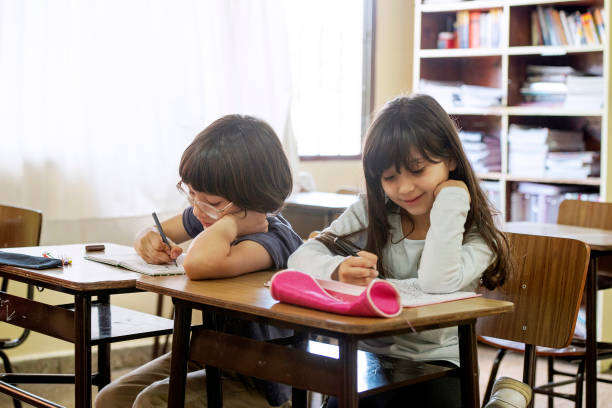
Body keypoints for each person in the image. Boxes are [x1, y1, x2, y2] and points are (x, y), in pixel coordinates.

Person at [287, 94, 512, 408]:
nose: (404, 188)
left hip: (440, 366)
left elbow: (436, 281)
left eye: (418, 170)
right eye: (390, 177)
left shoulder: (476, 235)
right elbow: (299, 258)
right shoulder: (374, 211)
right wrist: (338, 269)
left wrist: (452, 199)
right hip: (370, 360)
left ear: (450, 158)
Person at [95, 114, 303, 408]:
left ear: (255, 197)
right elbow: (158, 230)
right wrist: (148, 238)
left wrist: (230, 224)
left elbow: (199, 263)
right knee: (111, 399)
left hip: (264, 378)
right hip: (213, 355)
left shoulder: (272, 239)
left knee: (152, 403)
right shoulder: (214, 213)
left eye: (212, 203)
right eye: (191, 194)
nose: (198, 210)